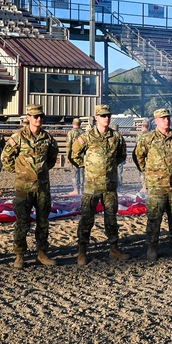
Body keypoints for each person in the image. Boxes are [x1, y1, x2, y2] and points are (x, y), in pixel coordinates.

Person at [70, 104, 131, 265]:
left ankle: (114, 249)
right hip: (92, 186)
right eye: (103, 115)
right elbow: (74, 155)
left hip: (110, 186)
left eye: (108, 115)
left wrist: (108, 168)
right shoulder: (87, 136)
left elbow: (122, 156)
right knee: (87, 219)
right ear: (96, 117)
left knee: (111, 219)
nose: (106, 118)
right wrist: (88, 165)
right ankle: (82, 251)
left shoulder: (116, 137)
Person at [2, 104, 60, 268]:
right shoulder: (18, 137)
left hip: (42, 188)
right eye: (35, 116)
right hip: (24, 189)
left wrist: (40, 172)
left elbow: (52, 159)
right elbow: (6, 158)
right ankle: (19, 255)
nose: (39, 119)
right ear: (28, 118)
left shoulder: (48, 139)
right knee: (22, 222)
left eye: (41, 116)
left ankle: (42, 253)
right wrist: (21, 171)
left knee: (43, 222)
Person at [132, 108, 172, 260]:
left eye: (168, 118)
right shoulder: (147, 139)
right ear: (156, 121)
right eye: (163, 118)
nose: (166, 120)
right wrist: (148, 171)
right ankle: (152, 247)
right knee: (154, 217)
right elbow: (138, 156)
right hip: (156, 186)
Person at [64, 118, 85, 194]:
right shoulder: (83, 133)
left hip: (74, 155)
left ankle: (76, 190)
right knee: (82, 172)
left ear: (73, 123)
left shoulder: (71, 133)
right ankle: (82, 190)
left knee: (74, 173)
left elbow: (68, 145)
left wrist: (68, 155)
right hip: (82, 156)